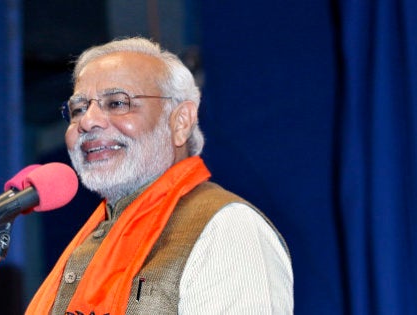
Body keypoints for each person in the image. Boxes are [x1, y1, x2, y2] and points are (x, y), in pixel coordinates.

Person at [26, 37, 293, 314]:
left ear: (180, 121)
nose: (87, 121)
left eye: (117, 103)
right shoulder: (92, 239)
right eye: (78, 109)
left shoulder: (227, 226)